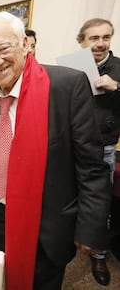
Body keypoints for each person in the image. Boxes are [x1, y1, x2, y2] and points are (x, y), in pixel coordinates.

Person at [0, 12, 111, 290]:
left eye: (3, 48)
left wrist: (90, 228)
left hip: (46, 225)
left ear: (24, 45)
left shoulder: (66, 86)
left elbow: (91, 167)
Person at [76, 17, 120, 286]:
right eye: (94, 38)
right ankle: (71, 243)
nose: (100, 44)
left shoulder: (119, 69)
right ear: (82, 41)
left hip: (103, 147)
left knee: (101, 204)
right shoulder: (72, 68)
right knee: (69, 199)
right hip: (73, 146)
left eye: (106, 38)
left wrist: (116, 87)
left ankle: (99, 255)